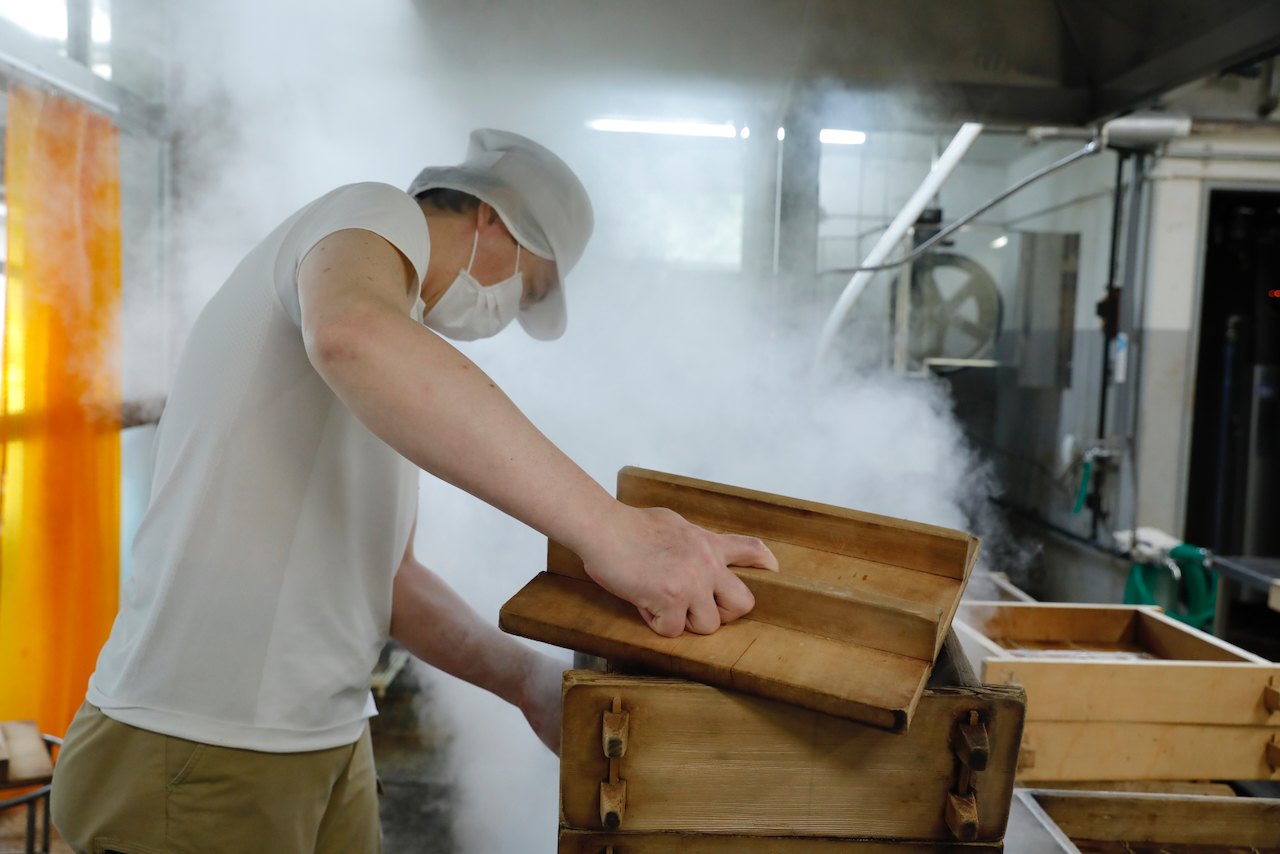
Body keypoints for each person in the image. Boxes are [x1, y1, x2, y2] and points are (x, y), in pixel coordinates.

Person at [49, 129, 778, 853]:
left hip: (326, 743)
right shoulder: (370, 213)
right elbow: (351, 332)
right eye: (528, 288)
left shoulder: (388, 353)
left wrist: (528, 683)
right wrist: (614, 532)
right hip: (196, 743)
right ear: (494, 217)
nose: (507, 313)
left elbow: (390, 582)